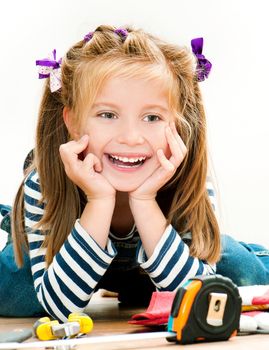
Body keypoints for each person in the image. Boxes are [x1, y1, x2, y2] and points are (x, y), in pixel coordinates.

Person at [0, 25, 268, 321]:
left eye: (152, 117)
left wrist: (144, 199)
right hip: (64, 255)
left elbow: (197, 299)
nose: (131, 137)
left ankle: (144, 284)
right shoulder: (45, 180)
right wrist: (99, 200)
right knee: (11, 292)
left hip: (159, 252)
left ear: (176, 125)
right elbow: (59, 307)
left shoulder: (184, 175)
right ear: (73, 122)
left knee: (243, 274)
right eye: (108, 115)